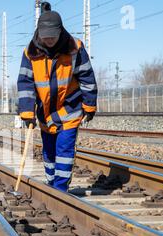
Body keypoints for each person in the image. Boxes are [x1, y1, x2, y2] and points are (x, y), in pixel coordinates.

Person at [17, 9, 98, 192]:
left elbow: (87, 76)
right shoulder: (30, 53)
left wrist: (89, 105)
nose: (49, 40)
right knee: (49, 151)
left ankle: (60, 189)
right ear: (39, 33)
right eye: (45, 36)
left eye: (52, 36)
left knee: (64, 150)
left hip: (70, 108)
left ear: (60, 31)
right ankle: (52, 184)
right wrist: (27, 112)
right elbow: (25, 83)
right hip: (45, 112)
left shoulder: (74, 48)